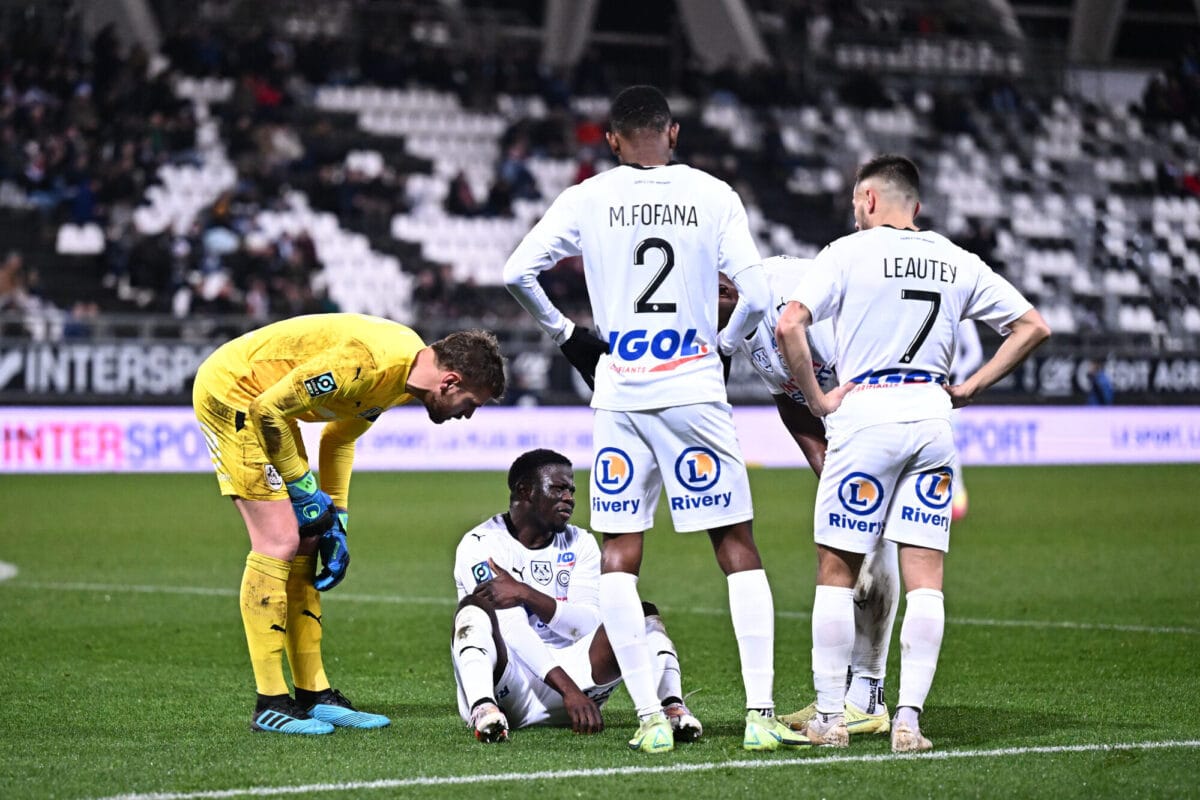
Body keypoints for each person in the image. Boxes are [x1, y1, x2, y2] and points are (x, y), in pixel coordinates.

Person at [504, 85, 806, 753]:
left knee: (619, 556)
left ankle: (648, 719)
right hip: (694, 387)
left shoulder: (587, 197)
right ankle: (760, 714)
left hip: (620, 393)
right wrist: (725, 347)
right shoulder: (712, 193)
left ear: (610, 140)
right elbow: (755, 292)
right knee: (735, 546)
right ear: (672, 133)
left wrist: (565, 333)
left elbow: (516, 271)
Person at [774, 155, 1050, 753]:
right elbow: (1033, 326)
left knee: (836, 571)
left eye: (855, 205)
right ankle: (908, 722)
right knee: (926, 580)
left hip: (868, 411)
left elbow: (790, 324)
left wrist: (820, 400)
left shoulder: (846, 253)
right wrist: (972, 387)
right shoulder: (956, 258)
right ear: (916, 208)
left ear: (869, 201)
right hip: (932, 418)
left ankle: (830, 718)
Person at [192, 314, 506, 735]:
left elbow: (339, 438)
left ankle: (313, 694)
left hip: (271, 410)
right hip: (234, 393)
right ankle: (270, 702)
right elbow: (265, 408)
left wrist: (335, 519)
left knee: (309, 541)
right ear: (449, 381)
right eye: (471, 404)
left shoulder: (400, 379)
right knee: (280, 539)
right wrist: (305, 491)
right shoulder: (367, 363)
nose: (466, 416)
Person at [717, 258, 898, 740]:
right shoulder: (739, 323)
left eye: (713, 295)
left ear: (732, 283)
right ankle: (848, 696)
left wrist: (857, 473)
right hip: (842, 423)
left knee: (873, 542)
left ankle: (870, 695)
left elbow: (866, 373)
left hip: (880, 406)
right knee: (851, 544)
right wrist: (827, 471)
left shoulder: (799, 302)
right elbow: (788, 397)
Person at [450, 449, 701, 746]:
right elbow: (512, 629)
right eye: (558, 488)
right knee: (473, 611)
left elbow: (588, 623)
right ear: (524, 490)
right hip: (512, 686)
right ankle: (483, 708)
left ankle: (673, 709)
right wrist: (569, 690)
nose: (569, 497)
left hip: (580, 685)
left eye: (571, 490)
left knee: (641, 614)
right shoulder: (481, 545)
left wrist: (525, 592)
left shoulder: (581, 542)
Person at [949, 320, 984, 520]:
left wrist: (958, 374)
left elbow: (975, 352)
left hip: (950, 389)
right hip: (921, 385)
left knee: (947, 441)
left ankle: (956, 494)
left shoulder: (960, 309)